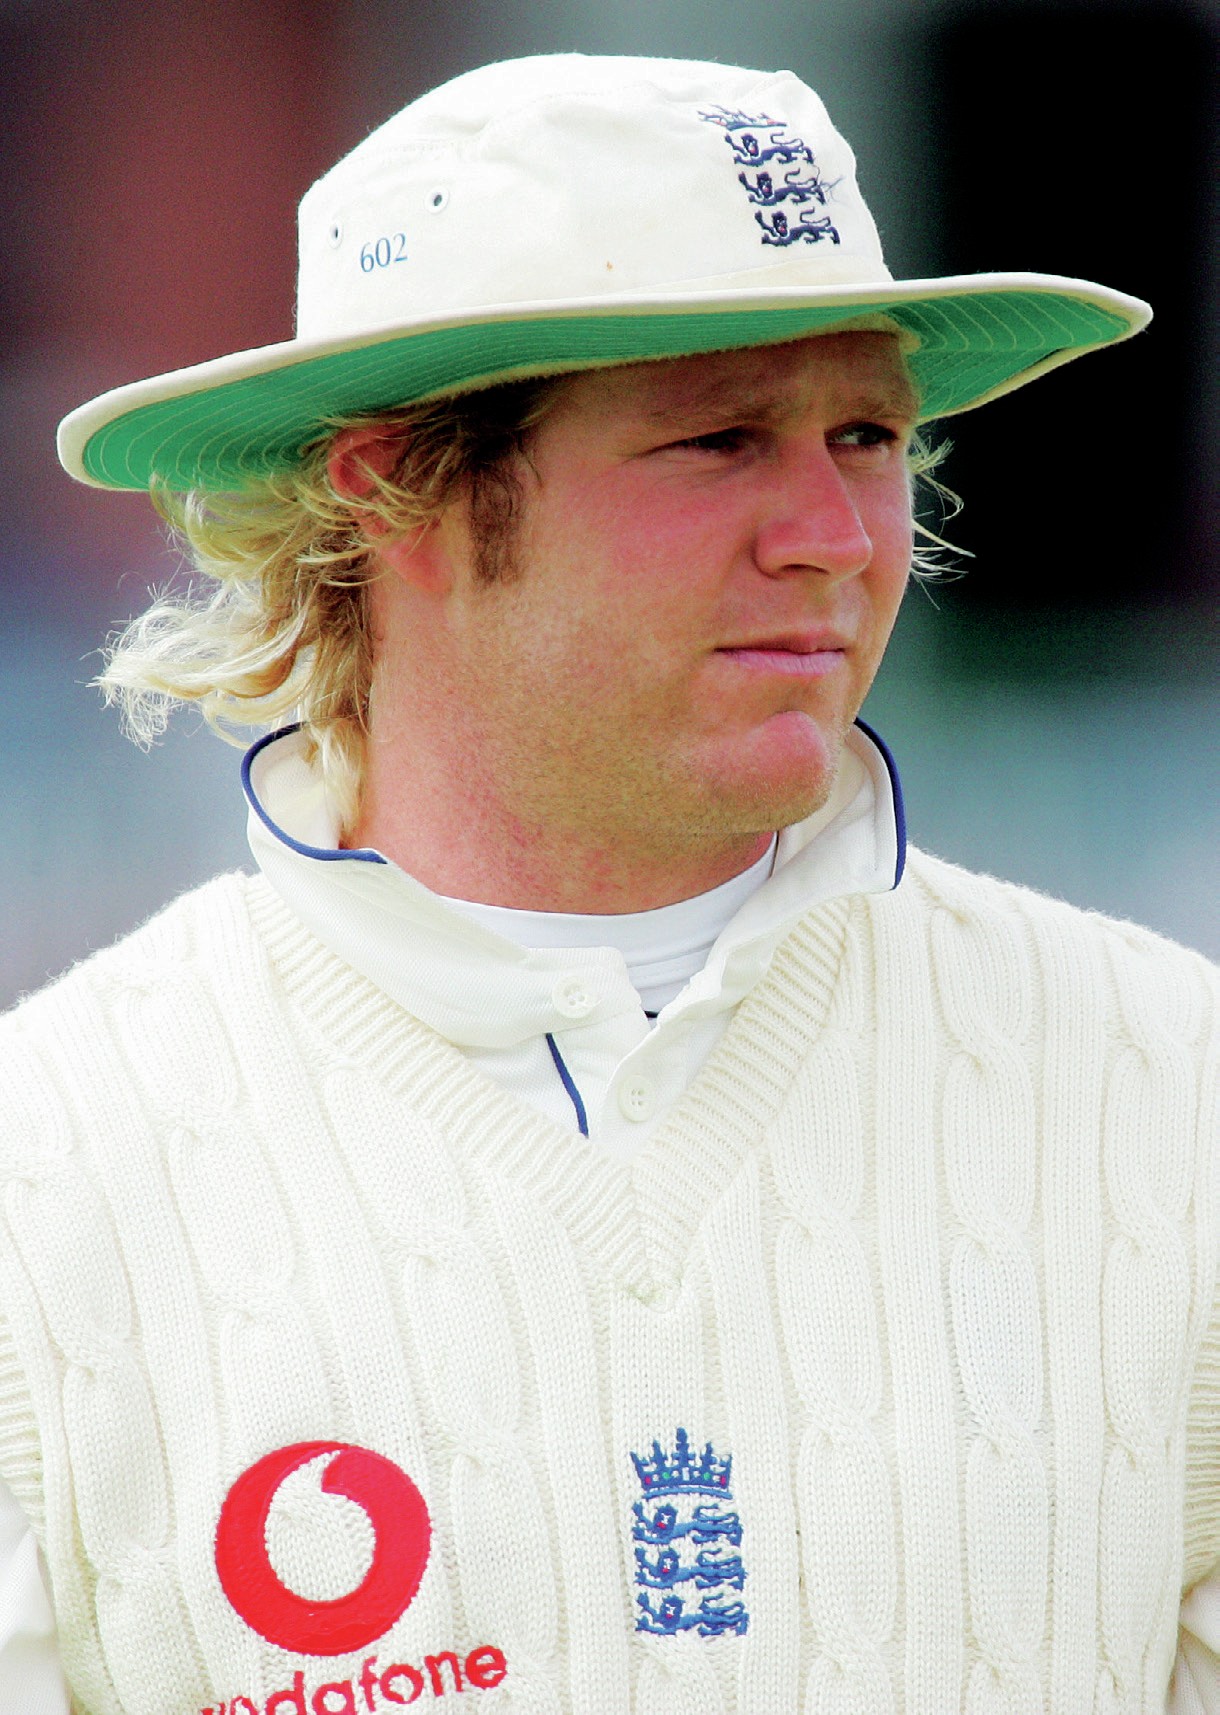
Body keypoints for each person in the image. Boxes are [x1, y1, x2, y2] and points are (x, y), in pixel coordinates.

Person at [4, 51, 1217, 1715]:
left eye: (867, 432)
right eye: (718, 438)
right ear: (399, 490)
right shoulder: (49, 1178)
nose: (836, 532)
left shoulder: (1173, 1090)